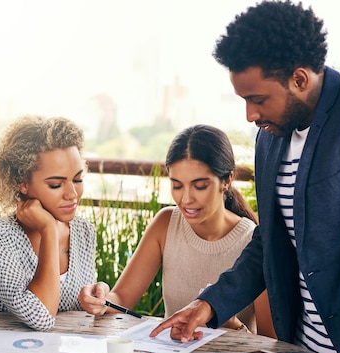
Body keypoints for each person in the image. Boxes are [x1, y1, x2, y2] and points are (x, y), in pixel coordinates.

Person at [150, 0, 340, 353]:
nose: (249, 114)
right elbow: (272, 239)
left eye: (258, 98)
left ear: (299, 79)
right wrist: (209, 304)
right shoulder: (271, 135)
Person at [79, 124, 275, 336]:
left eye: (200, 186)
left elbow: (269, 343)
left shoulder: (254, 244)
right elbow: (120, 298)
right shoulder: (166, 224)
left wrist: (230, 323)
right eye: (177, 185)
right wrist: (100, 299)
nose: (186, 199)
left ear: (226, 180)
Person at [0, 115, 96, 331]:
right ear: (22, 184)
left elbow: (78, 309)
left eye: (77, 179)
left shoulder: (83, 231)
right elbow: (41, 318)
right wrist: (48, 229)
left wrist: (94, 297)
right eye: (56, 185)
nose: (73, 194)